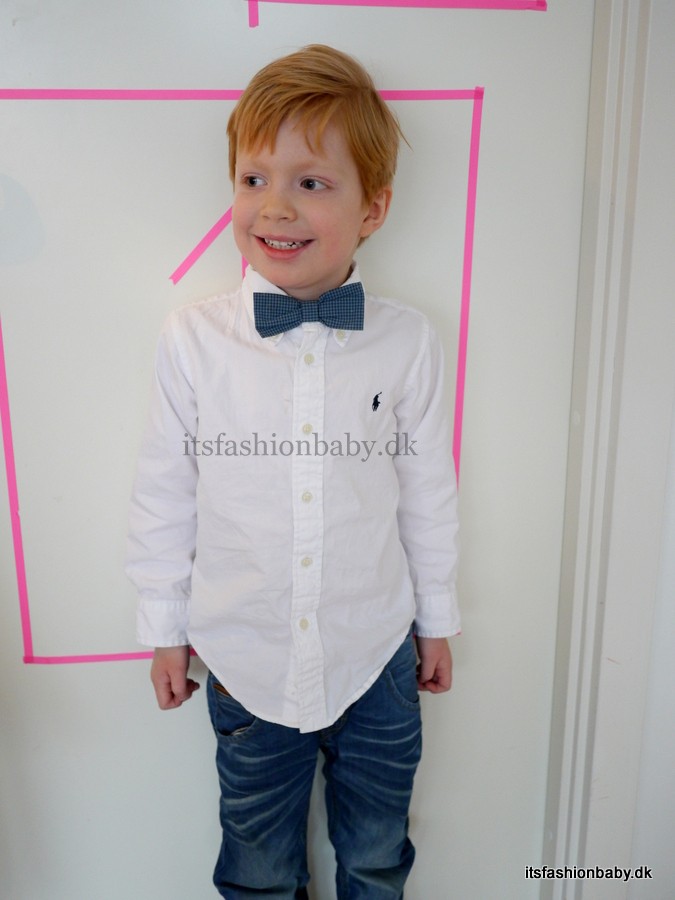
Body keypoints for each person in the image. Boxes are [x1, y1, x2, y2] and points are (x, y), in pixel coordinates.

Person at [126, 44, 460, 899]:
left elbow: (426, 492)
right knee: (258, 867)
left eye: (310, 182)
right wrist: (164, 625)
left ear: (372, 206)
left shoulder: (407, 341)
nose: (274, 206)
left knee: (377, 853)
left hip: (375, 653)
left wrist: (435, 618)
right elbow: (165, 491)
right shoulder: (192, 341)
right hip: (244, 655)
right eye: (253, 179)